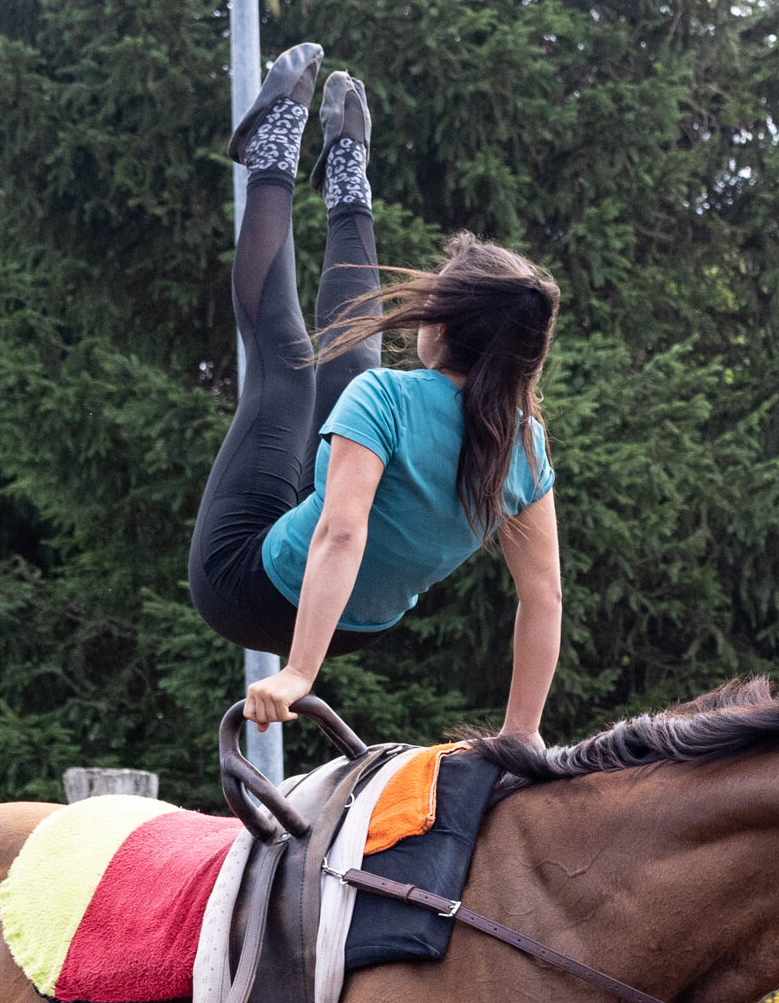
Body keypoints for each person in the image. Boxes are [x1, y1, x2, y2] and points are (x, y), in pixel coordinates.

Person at [188, 43, 565, 745]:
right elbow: (542, 596)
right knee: (340, 363)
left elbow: (343, 532)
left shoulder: (387, 399)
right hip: (354, 629)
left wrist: (298, 673)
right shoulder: (525, 444)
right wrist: (522, 732)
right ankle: (344, 173)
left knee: (285, 366)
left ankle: (276, 151)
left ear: (440, 325)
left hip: (245, 585)